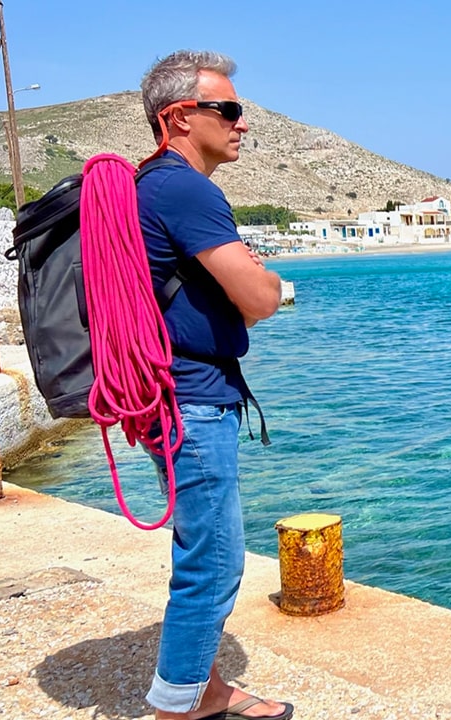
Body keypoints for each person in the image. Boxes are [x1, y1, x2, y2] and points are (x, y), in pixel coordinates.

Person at [136, 50, 291, 720]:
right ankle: (177, 709)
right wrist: (264, 280)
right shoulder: (186, 190)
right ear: (178, 117)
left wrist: (247, 286)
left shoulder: (150, 184)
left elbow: (224, 304)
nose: (241, 122)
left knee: (199, 547)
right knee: (216, 563)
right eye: (227, 109)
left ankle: (209, 689)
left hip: (166, 395)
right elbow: (259, 300)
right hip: (193, 401)